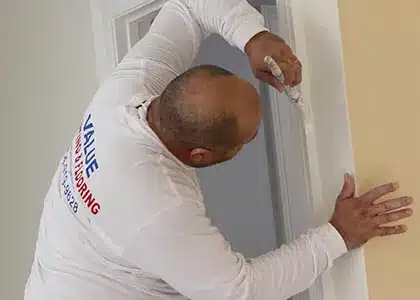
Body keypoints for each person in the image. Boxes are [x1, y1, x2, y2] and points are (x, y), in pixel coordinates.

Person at [24, 0, 414, 299]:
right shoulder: (157, 204)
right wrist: (338, 234)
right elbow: (239, 290)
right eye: (247, 140)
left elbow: (187, 5)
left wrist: (252, 37)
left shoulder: (129, 90)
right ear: (202, 156)